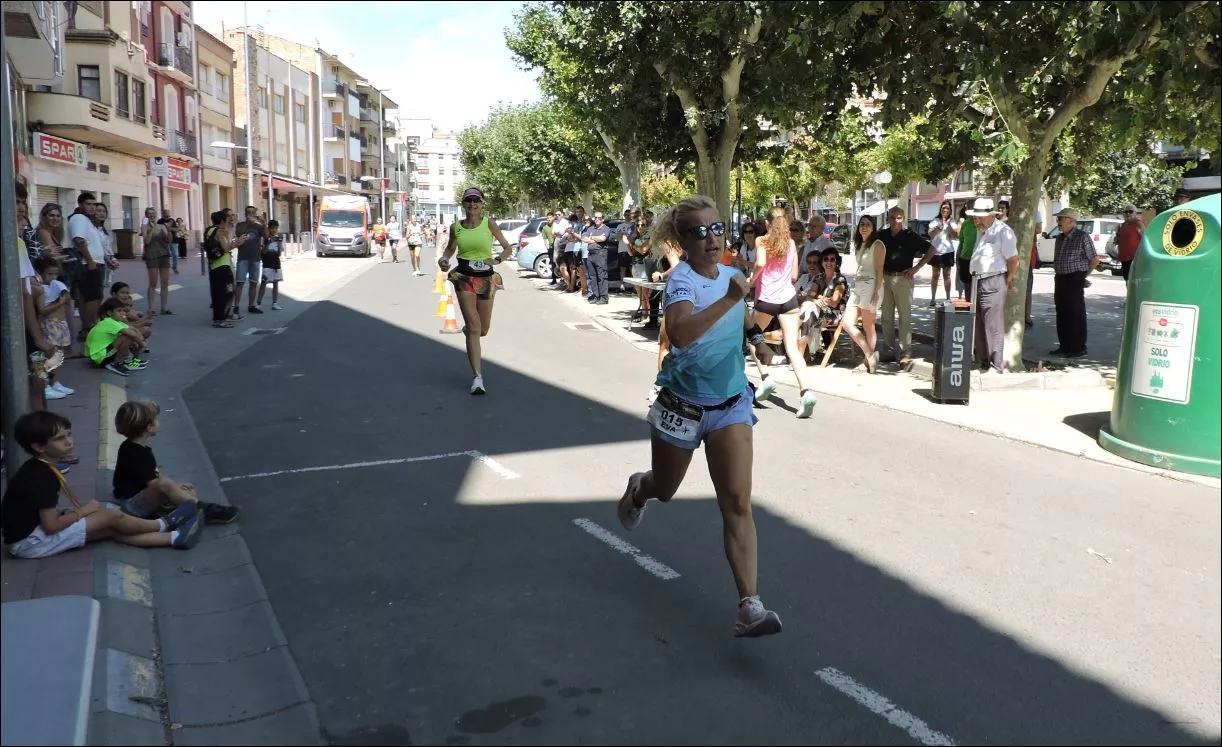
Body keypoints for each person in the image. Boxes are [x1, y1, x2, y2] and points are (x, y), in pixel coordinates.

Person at [616, 194, 782, 638]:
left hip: (730, 404)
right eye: (699, 232)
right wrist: (731, 300)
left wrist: (757, 340)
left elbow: (743, 315)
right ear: (681, 241)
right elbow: (683, 333)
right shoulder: (681, 281)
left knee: (738, 502)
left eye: (717, 228)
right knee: (665, 488)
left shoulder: (731, 276)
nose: (712, 239)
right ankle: (639, 488)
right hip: (682, 407)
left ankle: (750, 605)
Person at [1, 411, 202, 558]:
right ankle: (166, 523)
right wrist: (83, 511)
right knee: (111, 515)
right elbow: (52, 526)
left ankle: (174, 538)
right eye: (60, 439)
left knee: (110, 528)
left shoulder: (40, 467)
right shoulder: (41, 476)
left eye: (69, 434)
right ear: (39, 447)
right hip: (29, 542)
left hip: (29, 536)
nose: (70, 442)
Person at [437, 187, 515, 395]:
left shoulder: (488, 223)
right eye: (468, 201)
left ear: (482, 203)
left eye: (476, 201)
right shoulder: (456, 227)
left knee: (483, 329)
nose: (472, 205)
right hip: (464, 277)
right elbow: (450, 249)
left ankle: (470, 332)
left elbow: (508, 248)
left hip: (486, 278)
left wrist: (498, 259)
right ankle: (477, 378)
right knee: (473, 326)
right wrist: (444, 259)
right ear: (463, 204)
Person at [113, 399, 239, 524]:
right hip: (130, 506)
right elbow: (156, 484)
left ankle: (181, 508)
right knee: (168, 487)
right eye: (157, 419)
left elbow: (153, 474)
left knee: (184, 492)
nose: (159, 422)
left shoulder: (131, 447)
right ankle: (204, 510)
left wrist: (176, 487)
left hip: (136, 500)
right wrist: (173, 489)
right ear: (149, 427)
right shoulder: (137, 454)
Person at [751, 207, 818, 418]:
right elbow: (795, 274)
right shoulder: (790, 243)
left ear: (767, 222)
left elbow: (760, 263)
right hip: (788, 299)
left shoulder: (762, 240)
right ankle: (806, 391)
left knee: (752, 338)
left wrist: (750, 280)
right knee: (792, 348)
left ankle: (766, 377)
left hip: (767, 299)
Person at [966, 198, 1019, 373]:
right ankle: (983, 363)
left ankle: (996, 366)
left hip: (994, 279)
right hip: (979, 280)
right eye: (975, 217)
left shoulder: (1003, 231)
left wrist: (1007, 280)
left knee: (993, 324)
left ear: (990, 216)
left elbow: (1013, 260)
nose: (976, 220)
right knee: (980, 323)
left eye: (979, 217)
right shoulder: (982, 231)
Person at [1049, 207, 1098, 358]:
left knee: (1075, 313)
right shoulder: (1059, 238)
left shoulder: (1082, 236)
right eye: (1058, 219)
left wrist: (1083, 276)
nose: (1058, 222)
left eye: (1061, 219)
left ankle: (1078, 347)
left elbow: (1094, 260)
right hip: (1061, 277)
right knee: (1062, 312)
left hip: (1075, 277)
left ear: (1071, 221)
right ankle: (1064, 346)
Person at [840, 214, 885, 373]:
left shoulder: (877, 244)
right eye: (861, 224)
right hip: (858, 285)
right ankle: (871, 355)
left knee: (868, 325)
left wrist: (875, 292)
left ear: (873, 227)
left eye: (868, 224)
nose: (864, 227)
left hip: (871, 285)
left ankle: (867, 361)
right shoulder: (860, 244)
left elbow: (880, 269)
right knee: (846, 323)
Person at [32, 257, 75, 401]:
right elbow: (43, 310)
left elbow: (67, 298)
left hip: (60, 323)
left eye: (55, 274)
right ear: (41, 273)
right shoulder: (40, 289)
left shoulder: (56, 285)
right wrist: (60, 302)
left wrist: (64, 298)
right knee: (50, 355)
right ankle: (45, 385)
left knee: (58, 354)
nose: (53, 277)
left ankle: (54, 382)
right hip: (50, 324)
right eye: (50, 274)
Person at [86, 298, 148, 377]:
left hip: (100, 355)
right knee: (126, 337)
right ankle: (127, 361)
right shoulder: (109, 322)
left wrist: (140, 341)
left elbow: (133, 329)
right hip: (100, 358)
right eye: (119, 311)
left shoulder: (114, 321)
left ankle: (130, 360)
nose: (122, 313)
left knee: (132, 336)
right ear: (109, 313)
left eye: (123, 310)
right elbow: (132, 335)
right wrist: (141, 344)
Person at [205, 209, 237, 328]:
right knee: (227, 292)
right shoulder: (220, 231)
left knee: (216, 293)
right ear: (222, 220)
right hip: (223, 265)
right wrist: (237, 243)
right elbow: (226, 248)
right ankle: (223, 318)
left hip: (213, 265)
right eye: (226, 220)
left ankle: (217, 319)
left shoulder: (209, 230)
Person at [141, 207, 173, 315]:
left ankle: (164, 307)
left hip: (164, 255)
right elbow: (147, 241)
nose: (151, 215)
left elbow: (169, 240)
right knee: (153, 283)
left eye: (153, 213)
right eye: (149, 213)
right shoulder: (145, 227)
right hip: (152, 256)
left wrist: (168, 230)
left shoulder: (162, 226)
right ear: (146, 215)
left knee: (165, 282)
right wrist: (152, 228)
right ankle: (151, 308)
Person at [233, 206, 264, 318]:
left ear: (255, 213)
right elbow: (238, 233)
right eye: (248, 213)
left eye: (252, 213)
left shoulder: (258, 225)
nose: (250, 214)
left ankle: (251, 305)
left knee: (254, 283)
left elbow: (266, 235)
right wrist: (248, 223)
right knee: (240, 282)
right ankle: (236, 306)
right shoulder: (241, 225)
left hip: (255, 258)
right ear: (245, 214)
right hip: (243, 258)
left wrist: (262, 222)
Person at [926, 200, 958, 304]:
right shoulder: (935, 220)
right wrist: (940, 227)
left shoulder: (952, 221)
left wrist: (948, 227)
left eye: (947, 208)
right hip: (935, 251)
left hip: (948, 251)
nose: (945, 210)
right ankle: (933, 298)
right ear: (940, 209)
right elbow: (930, 234)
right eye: (943, 208)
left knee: (947, 275)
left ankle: (948, 298)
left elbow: (954, 236)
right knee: (935, 275)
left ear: (950, 210)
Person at [258, 219, 284, 310]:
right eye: (272, 228)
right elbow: (263, 252)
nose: (274, 230)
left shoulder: (278, 238)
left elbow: (279, 253)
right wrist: (269, 242)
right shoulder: (265, 239)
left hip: (276, 264)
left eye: (276, 228)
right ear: (269, 228)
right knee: (264, 283)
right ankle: (258, 302)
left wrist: (279, 244)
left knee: (275, 283)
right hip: (267, 264)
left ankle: (275, 303)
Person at [1116, 204, 1144, 282]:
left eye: (1130, 211)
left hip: (1135, 258)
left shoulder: (1138, 223)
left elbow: (1145, 239)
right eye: (1126, 212)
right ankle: (1129, 294)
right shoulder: (1121, 225)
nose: (1128, 213)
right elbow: (1118, 240)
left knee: (1134, 281)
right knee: (1127, 279)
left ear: (1135, 213)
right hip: (1123, 258)